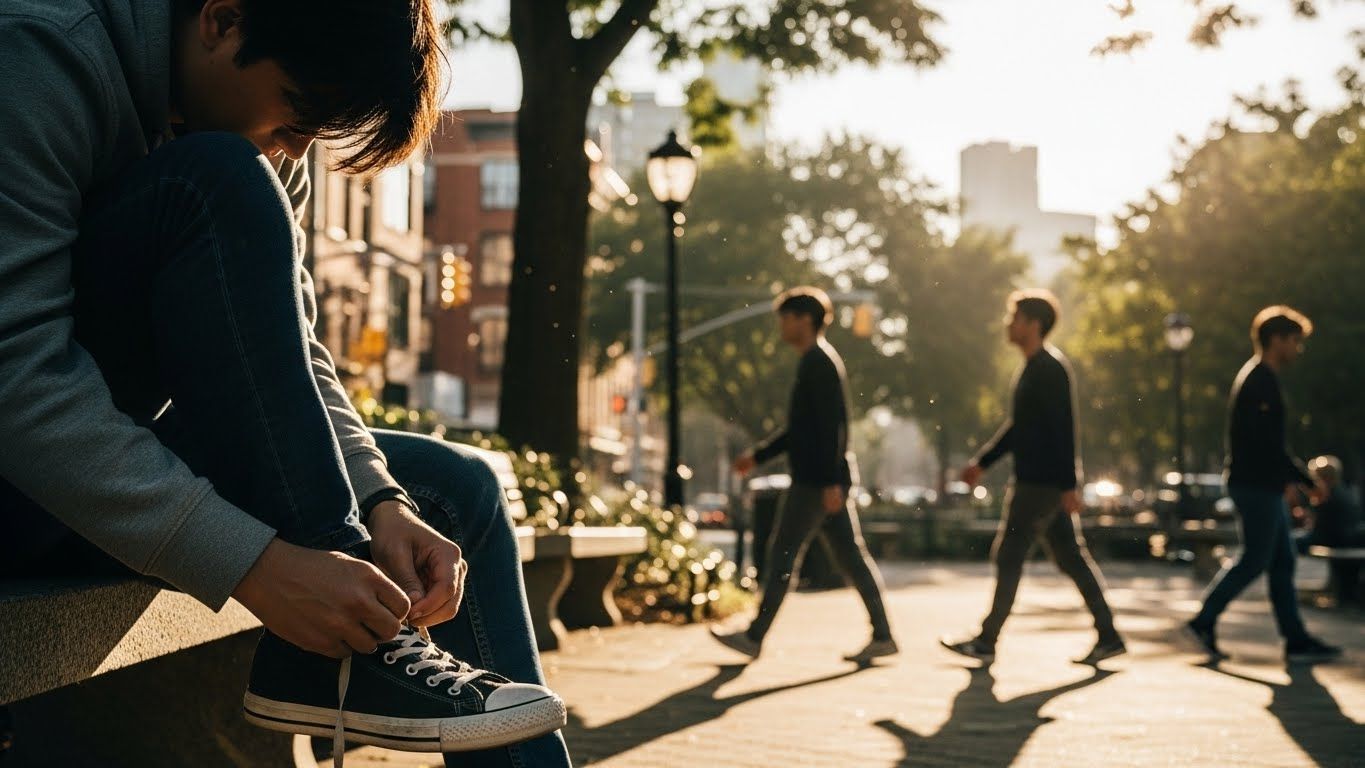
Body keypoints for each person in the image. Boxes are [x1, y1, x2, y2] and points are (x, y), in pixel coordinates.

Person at [0, 1, 571, 765]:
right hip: (19, 475)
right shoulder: (36, 53)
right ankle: (330, 659)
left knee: (451, 491)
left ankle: (343, 650)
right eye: (299, 116)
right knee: (211, 179)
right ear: (222, 20)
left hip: (98, 459)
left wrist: (380, 500)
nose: (297, 151)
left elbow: (288, 353)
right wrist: (260, 567)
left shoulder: (258, 137)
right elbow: (15, 380)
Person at [711, 287, 897, 663]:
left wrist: (830, 482)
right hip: (823, 480)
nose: (781, 325)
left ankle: (755, 636)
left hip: (815, 483)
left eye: (786, 318)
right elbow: (800, 430)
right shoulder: (816, 361)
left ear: (805, 320)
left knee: (782, 555)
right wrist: (758, 456)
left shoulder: (819, 363)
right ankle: (883, 636)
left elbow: (833, 428)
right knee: (851, 557)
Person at [940, 290, 1125, 666]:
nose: (1008, 324)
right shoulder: (1033, 368)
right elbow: (1018, 427)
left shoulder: (1050, 369)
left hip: (1039, 485)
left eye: (1015, 318)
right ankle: (1109, 636)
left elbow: (1064, 428)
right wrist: (983, 462)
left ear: (1034, 325)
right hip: (1043, 483)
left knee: (1009, 553)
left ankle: (987, 640)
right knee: (1071, 558)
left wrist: (1069, 484)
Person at [1183, 307, 1342, 663]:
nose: (1298, 349)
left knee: (1282, 561)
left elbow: (1266, 447)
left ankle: (1295, 639)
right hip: (1254, 487)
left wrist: (1290, 483)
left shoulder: (1259, 378)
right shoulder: (1260, 381)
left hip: (1261, 484)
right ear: (1276, 340)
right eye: (1295, 341)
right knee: (1255, 559)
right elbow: (1268, 445)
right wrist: (1305, 482)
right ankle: (1203, 620)